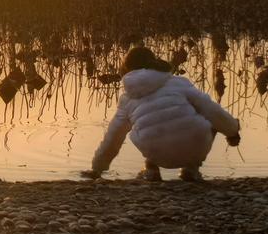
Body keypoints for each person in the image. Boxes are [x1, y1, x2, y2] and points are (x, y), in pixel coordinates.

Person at [83, 46, 240, 181]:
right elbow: (212, 110)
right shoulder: (179, 83)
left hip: (157, 153)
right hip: (195, 147)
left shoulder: (127, 99)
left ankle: (151, 167)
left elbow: (113, 137)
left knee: (140, 128)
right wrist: (232, 132)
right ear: (154, 62)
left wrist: (97, 169)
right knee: (207, 117)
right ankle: (191, 168)